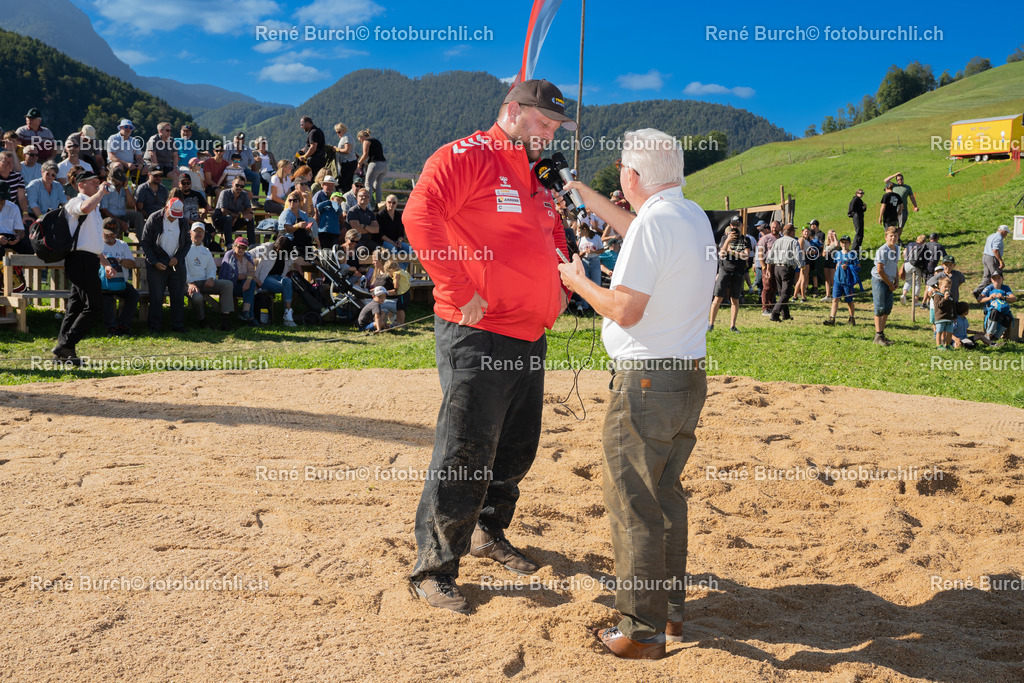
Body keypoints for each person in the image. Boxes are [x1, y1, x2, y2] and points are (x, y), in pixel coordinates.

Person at [404, 78, 573, 615]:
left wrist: (564, 284)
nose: (549, 134)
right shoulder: (467, 155)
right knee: (464, 451)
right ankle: (434, 568)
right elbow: (418, 216)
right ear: (511, 111)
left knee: (515, 447)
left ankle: (488, 531)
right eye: (542, 123)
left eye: (556, 127)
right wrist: (458, 287)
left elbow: (554, 233)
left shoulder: (537, 174)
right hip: (477, 331)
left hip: (529, 332)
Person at [556, 127, 715, 660]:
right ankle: (670, 614)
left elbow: (625, 310)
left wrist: (576, 281)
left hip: (646, 380)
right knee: (666, 495)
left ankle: (640, 631)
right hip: (686, 376)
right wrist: (583, 192)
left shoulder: (657, 224)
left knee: (633, 501)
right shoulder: (688, 215)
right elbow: (637, 225)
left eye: (623, 168)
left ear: (633, 175)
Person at [53, 171, 111, 364]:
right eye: (93, 182)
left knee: (75, 308)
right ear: (81, 185)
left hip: (89, 260)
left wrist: (106, 263)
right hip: (79, 261)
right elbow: (84, 208)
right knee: (95, 306)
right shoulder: (75, 202)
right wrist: (101, 193)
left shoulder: (95, 207)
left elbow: (92, 243)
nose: (97, 185)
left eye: (98, 182)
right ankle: (66, 344)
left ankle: (63, 352)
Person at [140, 198, 190, 333]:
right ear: (166, 207)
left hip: (176, 265)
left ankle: (178, 325)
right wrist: (154, 262)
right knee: (156, 297)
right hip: (156, 264)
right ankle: (154, 327)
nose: (174, 218)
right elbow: (145, 242)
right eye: (172, 213)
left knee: (178, 296)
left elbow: (187, 243)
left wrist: (178, 259)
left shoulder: (183, 222)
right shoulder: (154, 218)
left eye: (177, 215)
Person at [184, 223, 234, 330]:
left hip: (204, 282)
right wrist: (190, 283)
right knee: (197, 297)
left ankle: (225, 321)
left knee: (227, 285)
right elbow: (182, 269)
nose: (198, 234)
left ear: (204, 234)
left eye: (201, 232)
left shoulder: (206, 251)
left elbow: (212, 268)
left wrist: (211, 278)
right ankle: (202, 321)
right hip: (188, 284)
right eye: (196, 231)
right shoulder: (184, 249)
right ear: (190, 233)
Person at [99, 221, 139, 336]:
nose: (110, 236)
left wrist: (119, 260)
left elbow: (133, 264)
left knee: (133, 295)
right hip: (103, 283)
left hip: (121, 282)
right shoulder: (97, 245)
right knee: (106, 297)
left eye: (112, 234)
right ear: (101, 232)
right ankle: (111, 328)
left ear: (117, 233)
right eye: (107, 234)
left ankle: (124, 326)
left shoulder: (122, 245)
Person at [254, 234, 302, 326]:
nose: (277, 250)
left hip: (279, 278)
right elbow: (249, 254)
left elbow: (291, 264)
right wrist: (253, 276)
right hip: (265, 279)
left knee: (288, 281)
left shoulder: (288, 254)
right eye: (277, 248)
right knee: (287, 286)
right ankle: (288, 317)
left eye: (280, 250)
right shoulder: (267, 247)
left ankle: (287, 313)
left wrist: (295, 264)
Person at [708, 223, 748, 332]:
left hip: (738, 272)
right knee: (718, 297)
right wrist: (727, 240)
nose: (733, 236)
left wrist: (732, 252)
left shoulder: (745, 240)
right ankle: (711, 324)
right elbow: (722, 253)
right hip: (724, 270)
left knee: (735, 299)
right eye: (731, 234)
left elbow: (745, 256)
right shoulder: (725, 238)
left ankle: (732, 326)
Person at [766, 223, 801, 322]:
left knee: (782, 292)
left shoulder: (777, 241)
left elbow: (770, 256)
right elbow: (797, 255)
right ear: (791, 232)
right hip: (787, 268)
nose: (795, 232)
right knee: (786, 293)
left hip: (777, 268)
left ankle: (785, 315)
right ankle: (775, 314)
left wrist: (769, 269)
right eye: (794, 231)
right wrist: (801, 265)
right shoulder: (794, 241)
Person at [871, 226, 900, 346]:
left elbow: (895, 264)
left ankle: (881, 334)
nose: (893, 238)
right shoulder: (882, 250)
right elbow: (880, 270)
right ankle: (878, 336)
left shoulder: (897, 248)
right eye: (891, 236)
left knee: (887, 308)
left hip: (890, 280)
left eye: (895, 236)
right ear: (886, 237)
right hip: (879, 280)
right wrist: (889, 284)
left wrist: (897, 279)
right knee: (880, 308)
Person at [219, 237, 257, 324]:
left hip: (243, 286)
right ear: (234, 246)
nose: (241, 250)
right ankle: (250, 317)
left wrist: (248, 280)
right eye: (239, 247)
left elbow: (251, 271)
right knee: (251, 286)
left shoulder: (247, 256)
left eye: (244, 248)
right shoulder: (229, 255)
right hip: (230, 286)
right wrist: (247, 277)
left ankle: (245, 313)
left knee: (250, 284)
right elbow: (231, 275)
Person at [99, 166, 145, 238]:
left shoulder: (125, 187)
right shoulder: (105, 188)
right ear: (111, 179)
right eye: (118, 180)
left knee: (138, 215)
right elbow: (104, 210)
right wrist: (120, 222)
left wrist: (126, 188)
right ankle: (114, 244)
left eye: (121, 180)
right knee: (113, 223)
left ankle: (143, 243)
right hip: (110, 217)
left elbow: (132, 204)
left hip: (123, 216)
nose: (120, 182)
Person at [823, 235, 859, 326]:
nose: (844, 244)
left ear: (849, 244)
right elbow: (836, 265)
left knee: (849, 301)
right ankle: (832, 319)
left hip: (848, 282)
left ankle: (852, 318)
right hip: (837, 281)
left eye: (846, 242)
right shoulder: (837, 254)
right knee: (835, 299)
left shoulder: (852, 254)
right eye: (842, 242)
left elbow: (858, 267)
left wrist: (849, 267)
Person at [214, 177, 256, 248]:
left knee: (250, 218)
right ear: (232, 184)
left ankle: (252, 245)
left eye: (242, 186)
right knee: (228, 218)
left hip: (233, 222)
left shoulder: (244, 194)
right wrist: (239, 216)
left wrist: (244, 215)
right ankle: (229, 244)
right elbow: (224, 211)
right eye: (237, 185)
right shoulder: (224, 193)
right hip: (220, 221)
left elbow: (249, 209)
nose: (239, 187)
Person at [978, 271, 1017, 344]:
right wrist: (989, 298)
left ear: (1002, 279)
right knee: (995, 311)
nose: (997, 280)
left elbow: (1014, 298)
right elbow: (979, 299)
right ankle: (989, 334)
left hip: (1003, 311)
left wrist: (1004, 297)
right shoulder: (989, 288)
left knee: (1008, 318)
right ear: (991, 280)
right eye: (994, 278)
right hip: (991, 311)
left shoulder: (1005, 288)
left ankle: (995, 338)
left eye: (999, 278)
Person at [973, 224, 1010, 300]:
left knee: (987, 277)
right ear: (1003, 231)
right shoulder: (999, 238)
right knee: (996, 276)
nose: (1006, 235)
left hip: (985, 256)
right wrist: (1000, 261)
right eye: (1006, 232)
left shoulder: (991, 235)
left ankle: (978, 291)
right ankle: (998, 294)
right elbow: (995, 250)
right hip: (992, 258)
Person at [575, 219, 605, 313]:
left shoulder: (596, 238)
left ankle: (597, 306)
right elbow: (578, 254)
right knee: (585, 283)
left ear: (585, 229)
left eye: (580, 231)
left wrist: (593, 252)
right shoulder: (580, 239)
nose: (579, 233)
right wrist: (583, 253)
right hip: (584, 261)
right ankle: (585, 305)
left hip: (595, 261)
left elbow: (602, 250)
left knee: (596, 283)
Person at [223, 131, 260, 201]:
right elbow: (223, 162)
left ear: (243, 141)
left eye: (241, 139)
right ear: (233, 138)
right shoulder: (227, 147)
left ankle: (255, 201)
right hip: (230, 170)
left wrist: (253, 172)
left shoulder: (248, 149)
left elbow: (252, 163)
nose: (238, 140)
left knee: (256, 176)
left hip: (243, 171)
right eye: (237, 138)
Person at [356, 129, 388, 206]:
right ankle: (378, 204)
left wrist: (359, 163)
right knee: (378, 186)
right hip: (384, 165)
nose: (361, 142)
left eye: (360, 140)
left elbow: (365, 155)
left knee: (368, 184)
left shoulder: (366, 141)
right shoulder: (376, 141)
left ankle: (368, 204)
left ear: (362, 137)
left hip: (375, 164)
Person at [884, 171, 919, 236]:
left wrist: (915, 206)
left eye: (901, 179)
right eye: (898, 180)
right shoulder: (893, 186)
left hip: (903, 209)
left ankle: (897, 239)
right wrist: (894, 175)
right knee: (893, 226)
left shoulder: (907, 187)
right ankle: (892, 238)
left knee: (901, 225)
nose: (899, 180)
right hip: (893, 210)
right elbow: (885, 180)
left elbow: (912, 197)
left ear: (903, 179)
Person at [347, 187, 380, 251]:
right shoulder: (353, 211)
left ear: (369, 199)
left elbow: (376, 230)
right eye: (361, 196)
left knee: (380, 251)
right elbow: (357, 230)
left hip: (367, 240)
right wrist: (370, 229)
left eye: (366, 196)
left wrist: (364, 226)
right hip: (355, 241)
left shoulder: (370, 213)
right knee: (363, 251)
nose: (364, 197)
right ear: (357, 198)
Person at [758, 220, 780, 315]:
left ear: (779, 227)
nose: (774, 229)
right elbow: (760, 253)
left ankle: (771, 306)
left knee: (774, 287)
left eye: (775, 227)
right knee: (767, 286)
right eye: (772, 227)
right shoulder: (765, 238)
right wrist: (763, 267)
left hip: (778, 265)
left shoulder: (782, 238)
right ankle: (765, 308)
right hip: (767, 266)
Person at [899, 234, 927, 304]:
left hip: (906, 264)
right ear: (924, 241)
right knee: (917, 283)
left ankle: (904, 295)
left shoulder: (910, 244)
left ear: (917, 239)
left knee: (908, 281)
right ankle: (915, 301)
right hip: (915, 266)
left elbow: (904, 254)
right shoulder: (922, 247)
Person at [333, 123, 358, 192]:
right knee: (348, 182)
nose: (338, 134)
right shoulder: (345, 137)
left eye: (339, 132)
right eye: (336, 132)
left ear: (343, 130)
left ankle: (344, 196)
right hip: (348, 162)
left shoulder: (346, 137)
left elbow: (347, 150)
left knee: (343, 182)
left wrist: (337, 149)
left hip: (348, 162)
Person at [932, 277, 955, 350]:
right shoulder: (937, 296)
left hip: (949, 318)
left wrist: (954, 316)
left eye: (949, 287)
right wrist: (944, 299)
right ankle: (939, 345)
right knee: (939, 331)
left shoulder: (951, 296)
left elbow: (953, 307)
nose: (947, 289)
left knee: (950, 332)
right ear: (940, 286)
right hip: (940, 318)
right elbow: (938, 305)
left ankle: (947, 345)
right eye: (945, 287)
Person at [822, 229, 839, 301]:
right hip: (826, 260)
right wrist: (825, 253)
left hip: (833, 261)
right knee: (827, 279)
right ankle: (828, 295)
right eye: (829, 234)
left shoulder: (836, 242)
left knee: (833, 279)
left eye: (832, 234)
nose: (830, 236)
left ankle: (835, 295)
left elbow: (837, 245)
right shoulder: (826, 243)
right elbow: (823, 253)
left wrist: (834, 237)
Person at [847, 189, 866, 253]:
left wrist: (864, 208)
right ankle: (854, 249)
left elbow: (860, 209)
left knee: (860, 232)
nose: (861, 194)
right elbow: (852, 207)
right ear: (856, 193)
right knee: (858, 232)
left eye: (862, 193)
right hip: (857, 216)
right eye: (860, 193)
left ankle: (857, 248)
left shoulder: (859, 200)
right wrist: (851, 213)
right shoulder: (856, 199)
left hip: (859, 216)